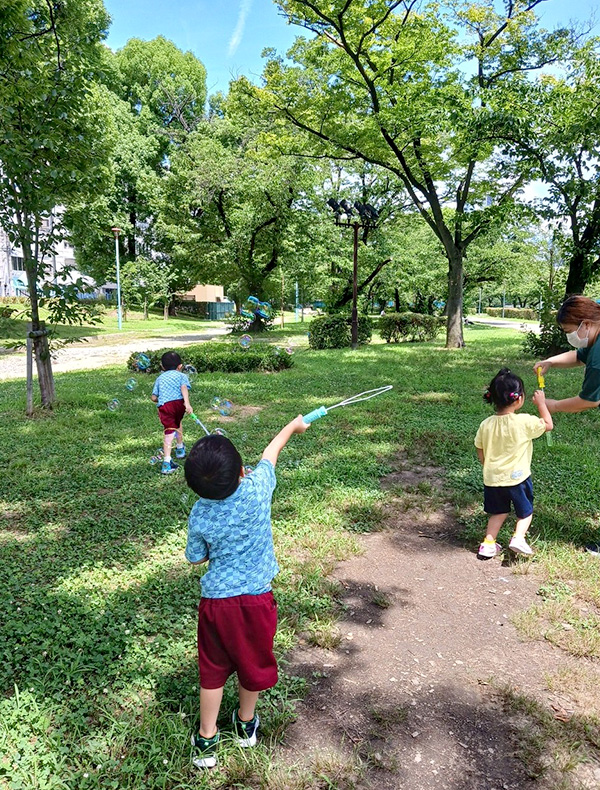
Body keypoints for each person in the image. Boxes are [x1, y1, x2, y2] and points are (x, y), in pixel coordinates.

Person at [184, 415, 310, 769]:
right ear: (242, 471)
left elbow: (196, 557)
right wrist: (291, 426)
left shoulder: (200, 511)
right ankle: (244, 724)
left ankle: (206, 739)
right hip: (256, 601)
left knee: (212, 670)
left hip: (216, 606)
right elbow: (271, 453)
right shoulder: (256, 489)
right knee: (250, 662)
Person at [534, 294, 600, 554]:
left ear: (585, 324)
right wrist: (550, 361)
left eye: (569, 331)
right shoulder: (594, 340)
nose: (568, 336)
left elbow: (588, 401)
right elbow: (579, 355)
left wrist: (553, 405)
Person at [475, 368, 553, 559]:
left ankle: (488, 544)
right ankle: (518, 537)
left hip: (493, 478)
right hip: (518, 478)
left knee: (498, 512)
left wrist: (487, 465)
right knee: (525, 512)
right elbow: (548, 425)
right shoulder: (524, 422)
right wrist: (542, 404)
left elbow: (479, 447)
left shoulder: (486, 424)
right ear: (519, 399)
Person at [150, 351, 193, 475]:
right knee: (178, 423)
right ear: (180, 366)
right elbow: (183, 388)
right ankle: (179, 449)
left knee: (169, 431)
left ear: (162, 367)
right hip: (179, 405)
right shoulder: (181, 376)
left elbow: (153, 398)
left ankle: (167, 462)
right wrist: (187, 403)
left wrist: (162, 398)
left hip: (166, 407)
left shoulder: (160, 378)